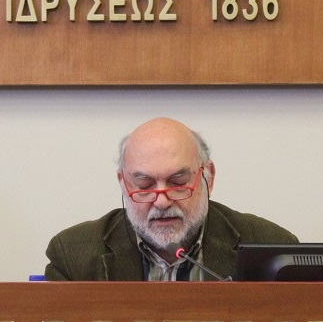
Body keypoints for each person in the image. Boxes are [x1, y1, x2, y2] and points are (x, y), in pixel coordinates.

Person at [45, 117, 298, 281]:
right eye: (144, 185)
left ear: (208, 177)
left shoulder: (272, 247)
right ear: (123, 182)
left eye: (178, 182)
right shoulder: (73, 256)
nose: (162, 201)